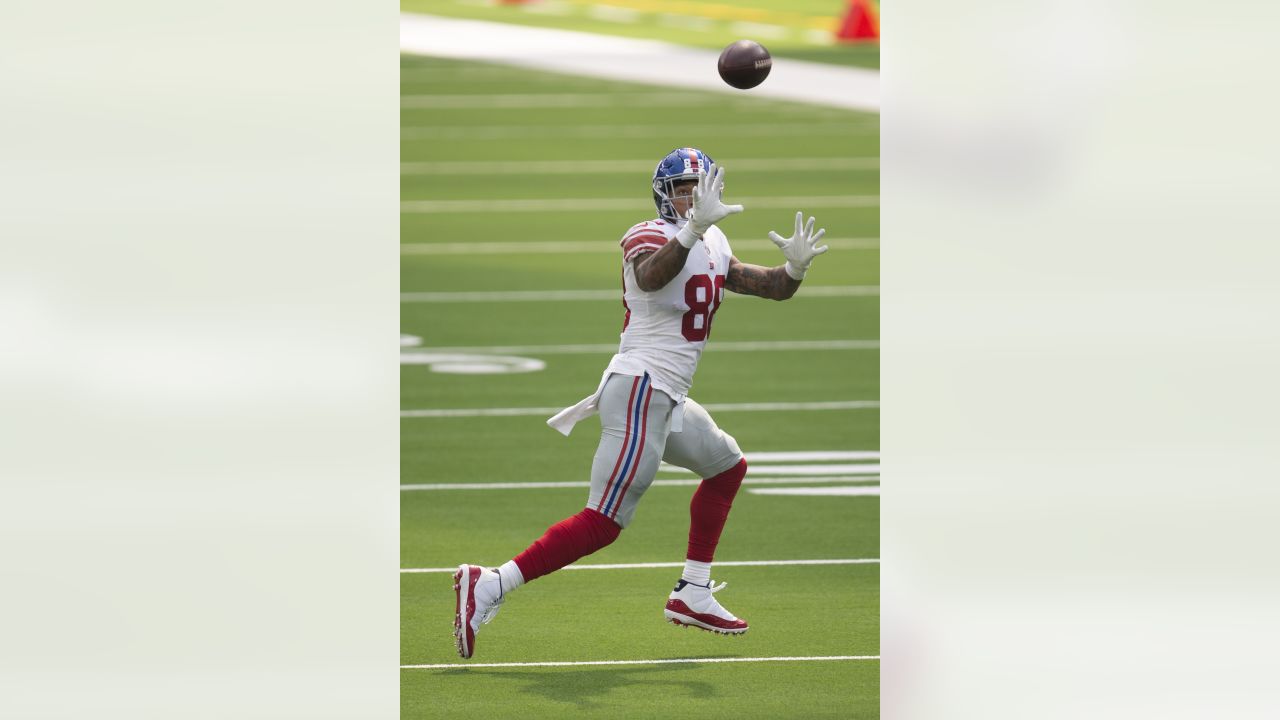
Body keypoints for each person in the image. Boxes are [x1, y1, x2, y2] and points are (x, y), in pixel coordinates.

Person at [453, 147, 828, 659]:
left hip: (667, 396)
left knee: (727, 467)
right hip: (640, 388)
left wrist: (795, 269)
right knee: (604, 521)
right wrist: (692, 228)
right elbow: (652, 275)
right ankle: (490, 583)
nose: (692, 196)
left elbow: (768, 287)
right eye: (682, 187)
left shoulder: (714, 237)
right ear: (663, 193)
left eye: (699, 186)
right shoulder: (648, 233)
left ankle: (693, 589)